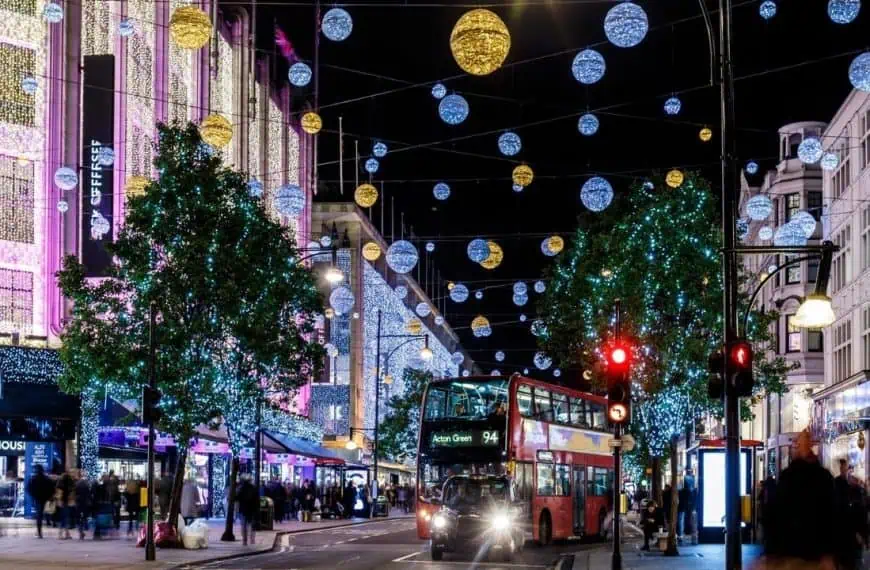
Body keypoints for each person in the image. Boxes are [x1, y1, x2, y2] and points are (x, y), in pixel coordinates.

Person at [764, 429, 837, 568]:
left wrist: (772, 551)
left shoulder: (790, 477)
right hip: (815, 552)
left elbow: (776, 514)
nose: (794, 446)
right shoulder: (823, 476)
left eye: (797, 442)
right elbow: (832, 515)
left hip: (793, 551)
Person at [833, 459, 867, 570]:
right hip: (843, 534)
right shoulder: (837, 484)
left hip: (852, 535)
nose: (845, 471)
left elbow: (862, 512)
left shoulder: (856, 489)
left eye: (846, 469)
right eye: (843, 468)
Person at [27, 465, 54, 539]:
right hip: (45, 498)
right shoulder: (47, 479)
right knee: (45, 511)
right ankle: (48, 522)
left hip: (37, 498)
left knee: (39, 515)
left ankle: (39, 532)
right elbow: (52, 488)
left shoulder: (33, 479)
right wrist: (49, 496)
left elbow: (29, 488)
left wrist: (33, 495)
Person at [236, 475, 259, 546]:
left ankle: (244, 540)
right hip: (252, 509)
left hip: (243, 509)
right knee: (252, 525)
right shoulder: (254, 488)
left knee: (244, 525)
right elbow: (257, 500)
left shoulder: (241, 488)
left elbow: (237, 498)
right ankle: (252, 539)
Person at [56, 468, 74, 539]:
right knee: (65, 518)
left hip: (62, 501)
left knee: (64, 517)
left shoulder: (61, 481)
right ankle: (62, 533)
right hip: (66, 501)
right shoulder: (69, 481)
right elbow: (71, 491)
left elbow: (58, 491)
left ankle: (65, 533)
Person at [75, 473, 91, 540]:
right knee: (85, 516)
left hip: (78, 502)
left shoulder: (77, 484)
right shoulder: (86, 484)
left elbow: (75, 493)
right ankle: (85, 527)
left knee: (78, 518)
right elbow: (89, 493)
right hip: (85, 502)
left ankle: (80, 531)